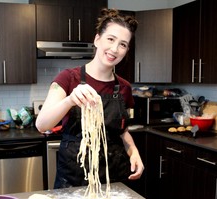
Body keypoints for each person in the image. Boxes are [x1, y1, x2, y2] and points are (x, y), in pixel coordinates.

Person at [36, 8, 144, 189]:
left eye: (123, 44)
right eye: (110, 39)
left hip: (113, 177)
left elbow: (122, 131)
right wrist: (70, 100)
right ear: (97, 39)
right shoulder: (68, 78)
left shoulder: (124, 87)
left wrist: (134, 152)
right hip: (74, 176)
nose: (115, 49)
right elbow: (42, 124)